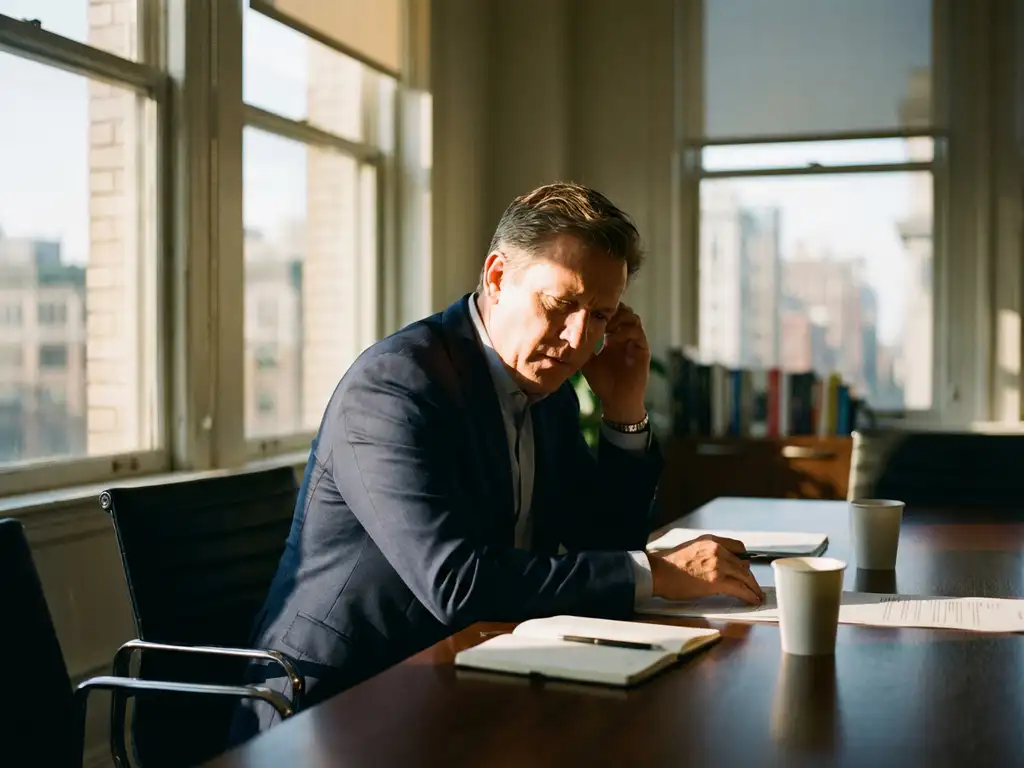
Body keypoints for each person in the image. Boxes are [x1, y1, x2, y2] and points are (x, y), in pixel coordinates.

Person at [231, 182, 763, 740]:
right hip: (337, 705)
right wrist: (655, 572)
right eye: (560, 305)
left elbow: (602, 545)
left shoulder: (546, 389)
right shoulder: (396, 386)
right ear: (497, 277)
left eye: (601, 316)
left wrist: (624, 410)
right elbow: (457, 583)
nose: (579, 338)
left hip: (467, 674)